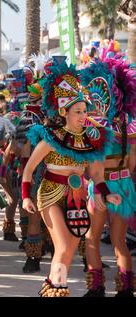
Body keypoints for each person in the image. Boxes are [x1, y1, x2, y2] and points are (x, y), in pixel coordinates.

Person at [22, 58, 121, 297]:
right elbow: (29, 169)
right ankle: (57, 289)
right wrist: (25, 197)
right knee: (65, 245)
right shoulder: (51, 138)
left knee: (67, 249)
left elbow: (96, 174)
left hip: (76, 197)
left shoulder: (92, 141)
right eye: (77, 112)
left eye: (85, 111)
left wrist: (107, 193)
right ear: (64, 112)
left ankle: (53, 287)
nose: (82, 116)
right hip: (50, 194)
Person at [81, 57, 136, 297]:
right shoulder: (128, 128)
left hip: (102, 185)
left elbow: (93, 165)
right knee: (119, 242)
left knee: (92, 238)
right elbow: (133, 163)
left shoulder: (95, 129)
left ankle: (96, 289)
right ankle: (125, 291)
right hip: (124, 184)